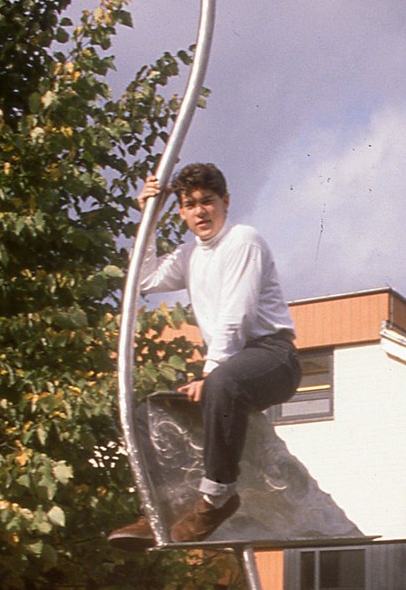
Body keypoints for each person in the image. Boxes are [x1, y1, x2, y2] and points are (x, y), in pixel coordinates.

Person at [109, 163, 302, 547]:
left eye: (207, 202)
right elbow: (145, 280)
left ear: (225, 202)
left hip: (273, 357)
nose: (200, 212)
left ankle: (217, 496)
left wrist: (212, 373)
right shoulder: (189, 255)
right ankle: (164, 507)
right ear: (181, 211)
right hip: (232, 364)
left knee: (224, 382)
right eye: (189, 205)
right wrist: (151, 216)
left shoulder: (243, 241)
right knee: (155, 406)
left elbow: (237, 315)